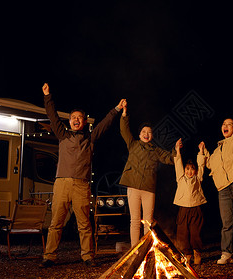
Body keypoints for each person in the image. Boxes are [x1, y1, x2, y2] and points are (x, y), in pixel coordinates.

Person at [40, 83, 125, 268]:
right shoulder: (63, 135)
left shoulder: (90, 139)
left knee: (84, 223)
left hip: (81, 185)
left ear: (85, 121)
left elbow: (105, 124)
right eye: (73, 118)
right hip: (62, 183)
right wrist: (47, 96)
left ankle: (87, 256)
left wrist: (117, 109)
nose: (76, 120)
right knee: (56, 222)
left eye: (79, 118)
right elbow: (53, 117)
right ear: (69, 121)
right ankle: (49, 256)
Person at [201, 92, 233, 266]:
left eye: (229, 124)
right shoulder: (217, 149)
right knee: (226, 223)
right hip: (222, 188)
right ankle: (227, 252)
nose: (226, 126)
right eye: (224, 124)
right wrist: (203, 152)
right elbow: (210, 165)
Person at [118, 100, 175, 246]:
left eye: (149, 132)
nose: (146, 134)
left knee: (148, 221)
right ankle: (134, 249)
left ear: (152, 136)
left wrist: (177, 150)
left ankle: (146, 249)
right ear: (139, 134)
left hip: (149, 188)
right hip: (133, 187)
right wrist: (124, 114)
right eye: (144, 132)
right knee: (135, 220)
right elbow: (124, 130)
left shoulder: (155, 151)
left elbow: (170, 158)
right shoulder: (133, 144)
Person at [173, 138, 207, 265]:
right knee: (182, 232)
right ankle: (187, 254)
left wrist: (201, 152)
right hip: (183, 209)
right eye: (187, 169)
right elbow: (178, 164)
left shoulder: (198, 179)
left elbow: (201, 165)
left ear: (196, 171)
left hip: (195, 208)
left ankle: (196, 252)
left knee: (195, 232)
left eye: (192, 169)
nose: (189, 171)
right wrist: (177, 150)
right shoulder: (181, 178)